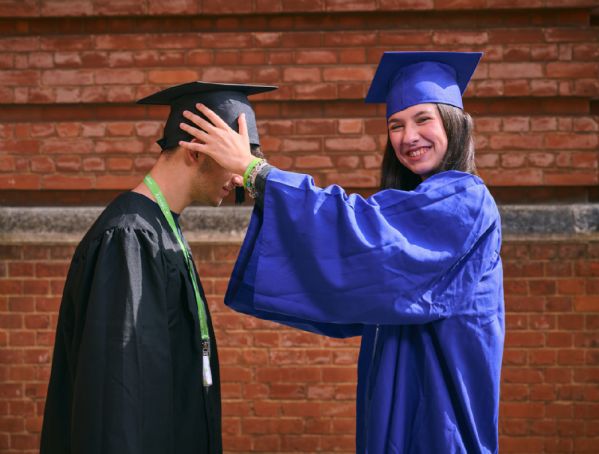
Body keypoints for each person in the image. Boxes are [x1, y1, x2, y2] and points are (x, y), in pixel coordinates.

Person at [179, 52, 504, 453]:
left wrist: (256, 172)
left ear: (453, 124)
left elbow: (364, 234)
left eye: (423, 120)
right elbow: (363, 263)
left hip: (439, 417)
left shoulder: (466, 200)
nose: (408, 136)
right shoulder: (414, 202)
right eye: (396, 126)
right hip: (393, 407)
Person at [40, 81, 276, 454]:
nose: (238, 179)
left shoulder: (162, 227)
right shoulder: (128, 239)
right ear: (195, 152)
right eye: (231, 159)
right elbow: (114, 398)